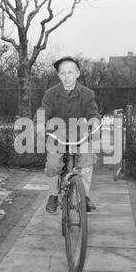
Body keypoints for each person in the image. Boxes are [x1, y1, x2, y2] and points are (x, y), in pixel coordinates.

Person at [35, 56, 101, 213]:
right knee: (53, 164)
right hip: (57, 135)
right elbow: (43, 112)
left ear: (77, 73)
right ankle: (52, 195)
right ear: (58, 76)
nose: (66, 76)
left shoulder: (87, 94)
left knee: (87, 159)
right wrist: (39, 124)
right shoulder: (50, 94)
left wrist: (94, 121)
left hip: (79, 134)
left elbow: (93, 112)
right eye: (62, 73)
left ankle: (84, 196)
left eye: (70, 72)